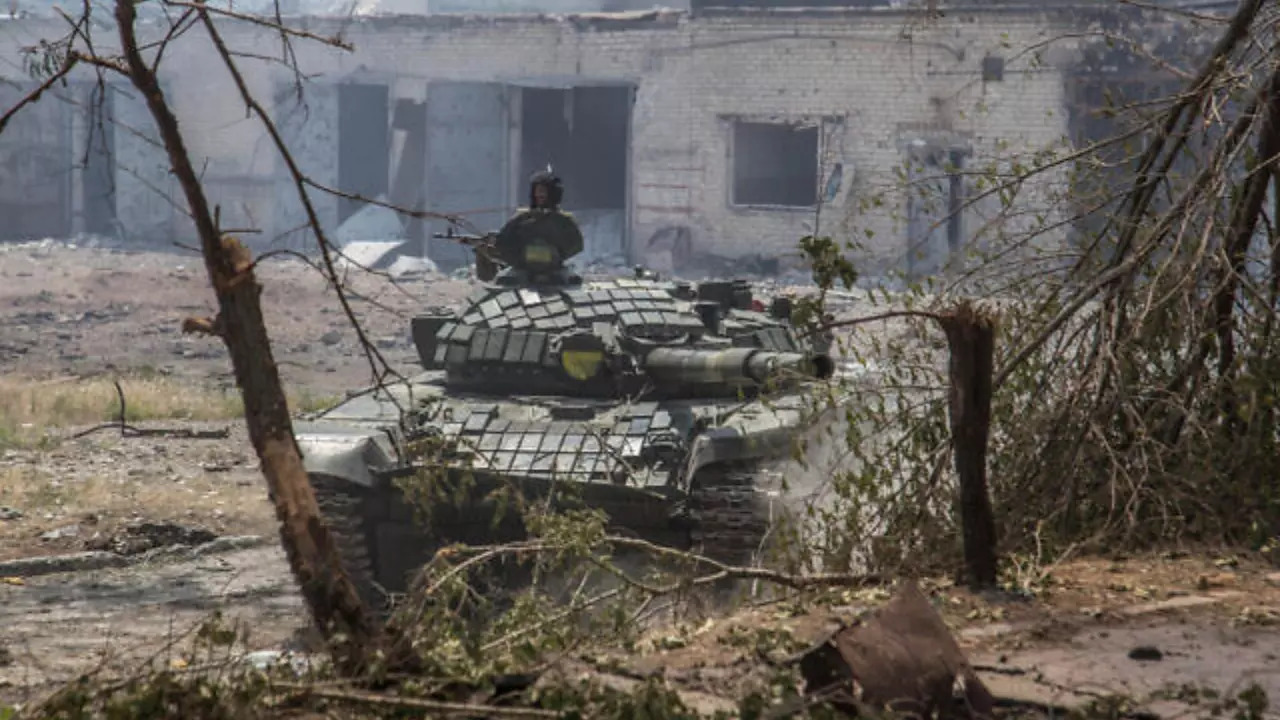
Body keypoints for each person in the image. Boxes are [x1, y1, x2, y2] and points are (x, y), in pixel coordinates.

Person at [490, 170, 585, 276]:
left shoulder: (563, 220)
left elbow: (577, 245)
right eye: (537, 190)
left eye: (543, 191)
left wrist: (557, 254)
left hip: (555, 272)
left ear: (553, 193)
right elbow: (504, 239)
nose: (539, 194)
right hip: (521, 271)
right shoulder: (522, 217)